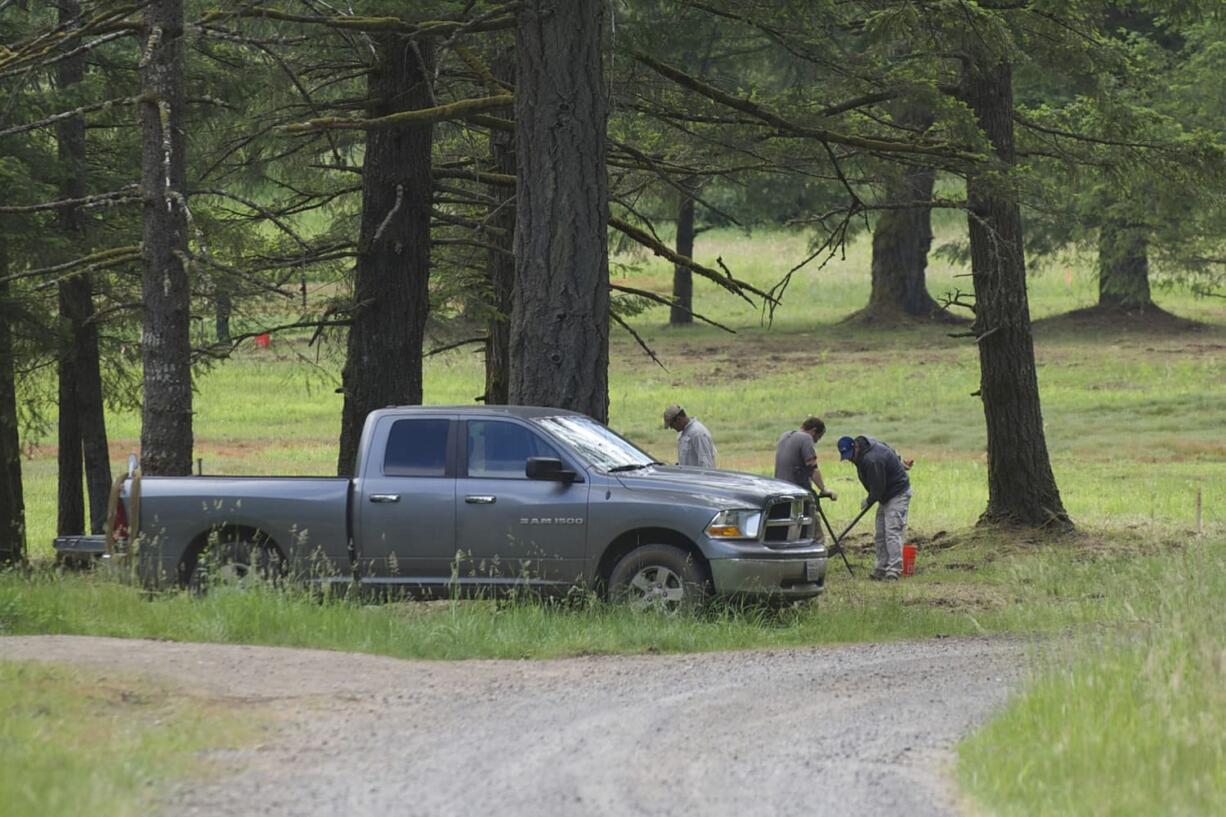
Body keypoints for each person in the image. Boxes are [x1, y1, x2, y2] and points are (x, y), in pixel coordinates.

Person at [838, 435, 912, 581]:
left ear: (855, 447)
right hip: (885, 495)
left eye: (850, 456)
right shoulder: (864, 449)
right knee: (880, 534)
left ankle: (893, 571)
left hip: (897, 493)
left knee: (892, 532)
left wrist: (869, 500)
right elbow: (889, 450)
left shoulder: (872, 460)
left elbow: (878, 488)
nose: (850, 459)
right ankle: (881, 568)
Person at [774, 416, 837, 500]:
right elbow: (813, 468)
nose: (816, 441)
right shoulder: (806, 438)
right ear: (814, 431)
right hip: (796, 489)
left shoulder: (785, 436)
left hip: (778, 487)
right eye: (818, 437)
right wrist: (823, 489)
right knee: (813, 507)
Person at [663, 404, 717, 469]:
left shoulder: (698, 433)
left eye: (671, 425)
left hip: (697, 478)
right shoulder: (683, 433)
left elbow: (706, 463)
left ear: (679, 419)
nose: (671, 428)